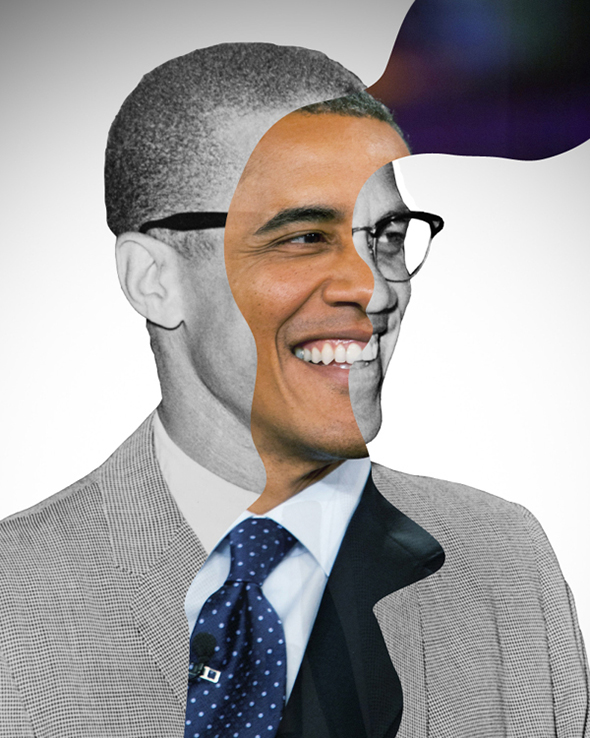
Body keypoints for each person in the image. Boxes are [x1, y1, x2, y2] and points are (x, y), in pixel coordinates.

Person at [0, 43, 587, 738]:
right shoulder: (16, 607)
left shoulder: (506, 567)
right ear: (153, 279)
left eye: (387, 235)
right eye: (305, 236)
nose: (375, 290)